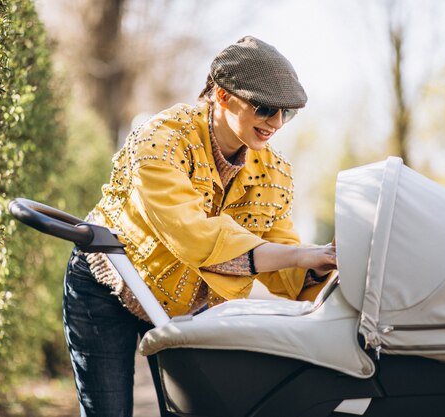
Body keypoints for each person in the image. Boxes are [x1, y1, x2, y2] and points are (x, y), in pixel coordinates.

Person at [63, 35, 337, 417]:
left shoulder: (273, 172)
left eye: (286, 113)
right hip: (108, 287)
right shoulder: (160, 142)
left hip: (184, 309)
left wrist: (322, 270)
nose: (275, 123)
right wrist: (300, 253)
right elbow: (194, 238)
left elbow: (283, 255)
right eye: (264, 108)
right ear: (223, 96)